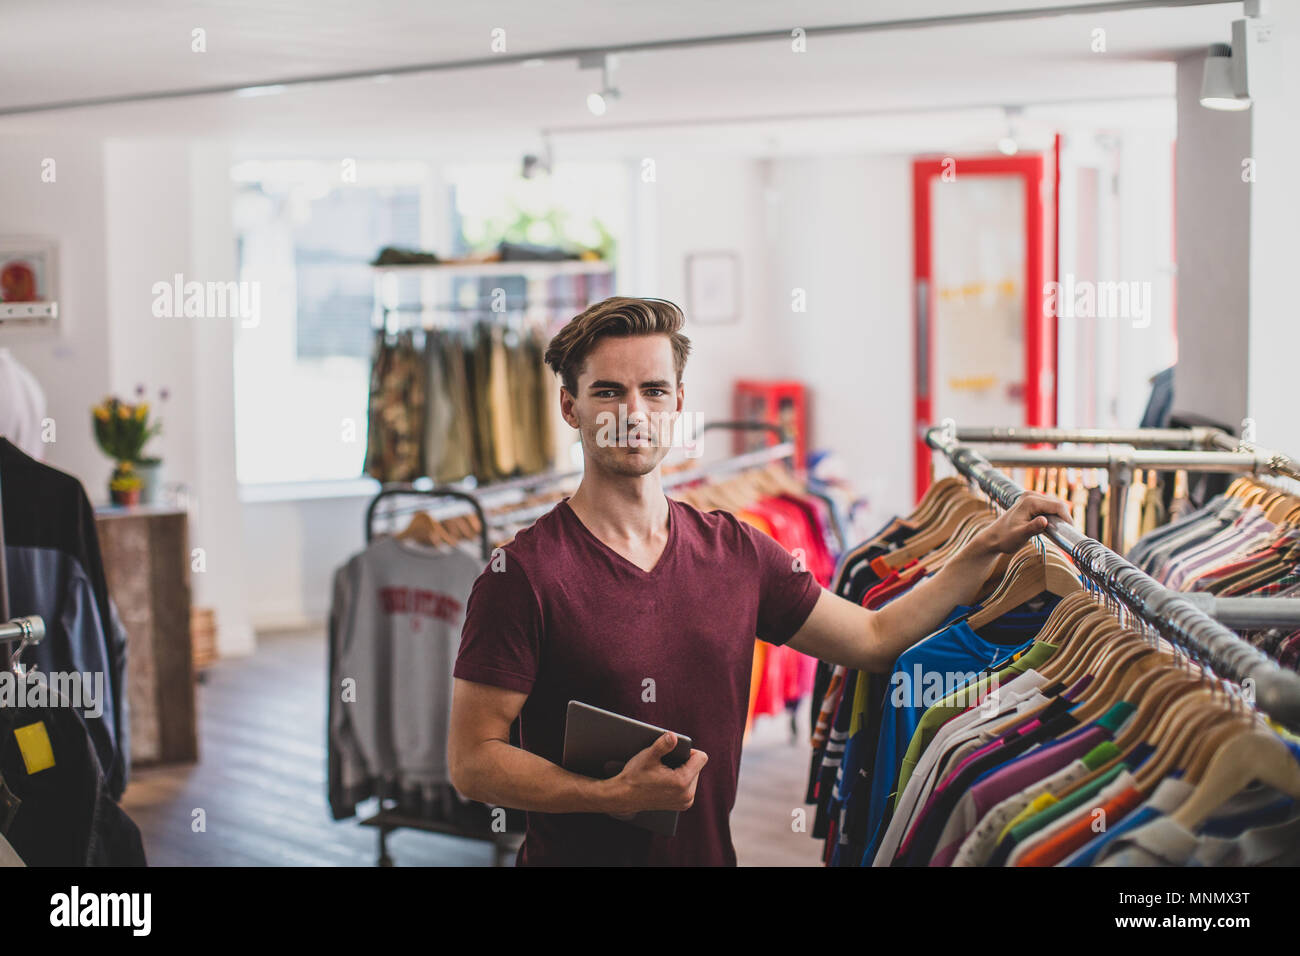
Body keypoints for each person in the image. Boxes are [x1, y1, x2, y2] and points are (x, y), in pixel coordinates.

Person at [448, 296, 1069, 866]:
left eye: (653, 390)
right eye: (609, 392)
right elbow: (472, 762)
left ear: (678, 403)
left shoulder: (737, 552)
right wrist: (605, 794)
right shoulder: (522, 574)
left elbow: (876, 638)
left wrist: (981, 548)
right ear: (570, 406)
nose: (632, 413)